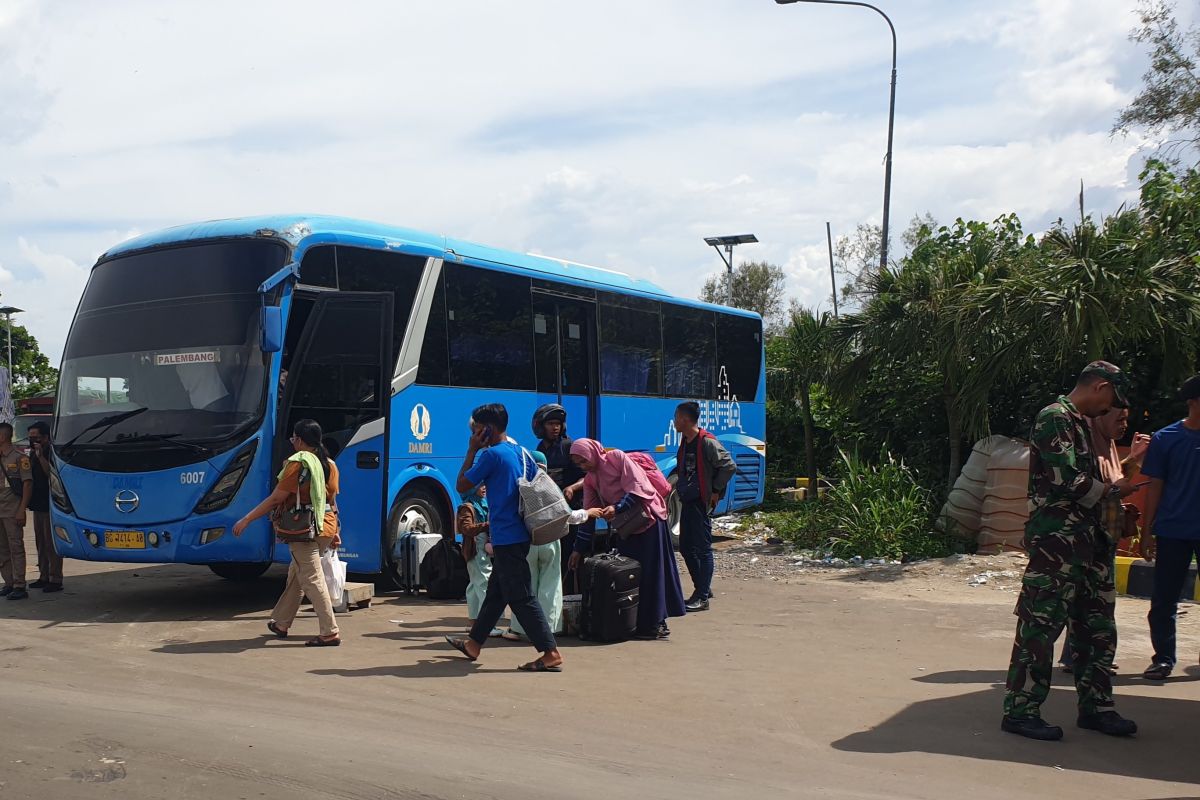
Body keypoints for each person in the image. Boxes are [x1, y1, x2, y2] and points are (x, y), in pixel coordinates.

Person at [1001, 361, 1142, 741]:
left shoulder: (1083, 424)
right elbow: (1067, 480)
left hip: (1092, 543)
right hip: (1057, 546)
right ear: (1099, 387)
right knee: (1040, 627)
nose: (1112, 407)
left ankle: (1097, 707)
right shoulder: (1054, 418)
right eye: (1112, 397)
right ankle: (1021, 710)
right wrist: (1114, 491)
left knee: (1097, 630)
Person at [445, 404, 564, 672]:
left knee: (521, 597)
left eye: (476, 428)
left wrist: (472, 449)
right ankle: (474, 644)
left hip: (507, 536)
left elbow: (462, 485)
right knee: (497, 593)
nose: (474, 433)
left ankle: (550, 652)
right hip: (518, 532)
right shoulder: (519, 451)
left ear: (486, 429)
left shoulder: (492, 455)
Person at [233, 419, 342, 647]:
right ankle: (281, 622)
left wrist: (247, 519)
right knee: (298, 574)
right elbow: (331, 500)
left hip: (303, 529)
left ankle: (329, 631)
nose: (293, 443)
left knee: (311, 578)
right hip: (326, 527)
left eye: (294, 438)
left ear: (300, 440)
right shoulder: (330, 464)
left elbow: (276, 499)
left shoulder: (297, 464)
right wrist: (337, 530)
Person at [1057, 407, 1149, 671]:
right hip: (1082, 537)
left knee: (1092, 601)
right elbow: (1096, 488)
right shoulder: (1083, 446)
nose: (1124, 425)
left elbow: (1112, 482)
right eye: (1119, 419)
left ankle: (1085, 657)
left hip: (1103, 535)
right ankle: (1075, 658)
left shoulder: (1105, 445)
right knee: (1076, 599)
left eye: (1126, 420)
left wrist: (1134, 458)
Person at [568, 437, 687, 640]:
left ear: (592, 452)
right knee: (631, 575)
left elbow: (638, 488)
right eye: (578, 463)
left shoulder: (616, 458)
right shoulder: (590, 479)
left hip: (649, 522)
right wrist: (578, 549)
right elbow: (588, 516)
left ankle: (656, 623)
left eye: (583, 460)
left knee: (652, 574)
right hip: (626, 529)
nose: (583, 465)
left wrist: (617, 507)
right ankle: (635, 623)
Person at [1138, 374, 1200, 681]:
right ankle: (1163, 658)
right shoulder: (1166, 438)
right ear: (1192, 402)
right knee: (1164, 598)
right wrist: (1146, 532)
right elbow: (1154, 488)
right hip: (1173, 529)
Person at [671, 401, 735, 612]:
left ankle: (702, 596)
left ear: (686, 419)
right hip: (688, 501)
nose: (674, 421)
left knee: (702, 548)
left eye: (677, 417)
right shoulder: (686, 441)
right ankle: (703, 587)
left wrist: (715, 490)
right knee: (687, 548)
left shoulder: (706, 442)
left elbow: (728, 466)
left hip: (700, 502)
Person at [505, 450, 564, 641]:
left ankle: (519, 628)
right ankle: (549, 629)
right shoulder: (551, 487)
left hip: (527, 541)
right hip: (551, 540)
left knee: (525, 587)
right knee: (551, 584)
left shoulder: (520, 486)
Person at [534, 405, 586, 586]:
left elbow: (588, 477)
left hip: (571, 511)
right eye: (550, 423)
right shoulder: (540, 448)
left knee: (570, 557)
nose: (555, 427)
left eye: (558, 424)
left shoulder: (569, 446)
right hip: (551, 512)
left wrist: (572, 487)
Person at [457, 485, 503, 639]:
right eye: (479, 485)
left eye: (485, 485)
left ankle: (474, 622)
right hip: (475, 550)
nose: (484, 488)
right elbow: (466, 528)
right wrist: (488, 525)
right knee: (484, 584)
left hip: (480, 549)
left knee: (474, 586)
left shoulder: (482, 504)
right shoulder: (467, 507)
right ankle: (487, 626)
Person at [26, 421, 63, 593]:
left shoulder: (51, 453)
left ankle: (55, 578)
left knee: (50, 543)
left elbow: (50, 474)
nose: (33, 441)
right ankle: (43, 575)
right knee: (40, 542)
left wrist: (41, 456)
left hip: (50, 505)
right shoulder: (32, 453)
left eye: (37, 437)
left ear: (46, 438)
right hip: (37, 504)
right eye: (31, 437)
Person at [0, 422, 32, 601]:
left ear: (3, 437)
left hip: (12, 509)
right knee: (2, 549)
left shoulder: (19, 458)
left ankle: (20, 584)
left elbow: (27, 484)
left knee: (16, 547)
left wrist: (22, 510)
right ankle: (9, 582)